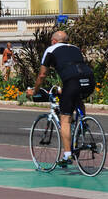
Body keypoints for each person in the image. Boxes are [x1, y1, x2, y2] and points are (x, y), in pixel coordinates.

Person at [27, 23, 94, 169]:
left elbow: (42, 74)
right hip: (89, 80)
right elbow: (75, 70)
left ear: (53, 41)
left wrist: (35, 91)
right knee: (77, 98)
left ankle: (67, 154)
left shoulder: (50, 50)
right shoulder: (75, 49)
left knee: (65, 118)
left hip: (72, 82)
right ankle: (82, 125)